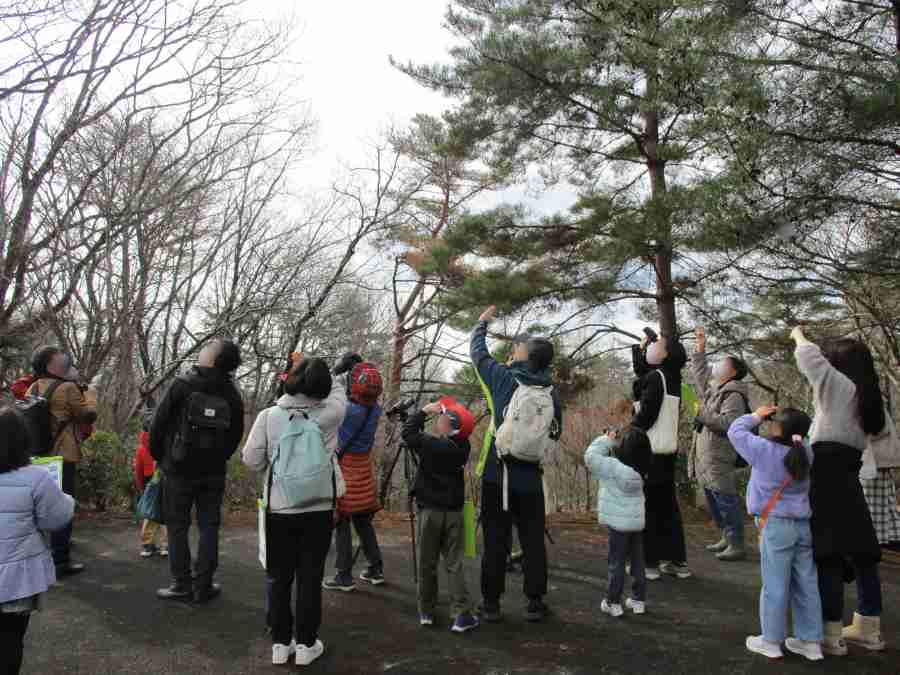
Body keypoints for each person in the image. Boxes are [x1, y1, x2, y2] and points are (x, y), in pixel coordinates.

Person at [242, 354, 347, 666]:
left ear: (291, 379)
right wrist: (329, 371)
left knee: (278, 577)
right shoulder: (332, 412)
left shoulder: (269, 416)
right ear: (323, 386)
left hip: (279, 509)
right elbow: (339, 391)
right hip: (319, 508)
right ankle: (305, 645)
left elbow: (251, 459)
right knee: (310, 577)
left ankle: (279, 643)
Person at [792, 327, 887, 655]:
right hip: (850, 471)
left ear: (839, 365)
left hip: (827, 473)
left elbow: (807, 358)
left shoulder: (839, 386)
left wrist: (798, 335)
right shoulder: (867, 396)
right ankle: (869, 628)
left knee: (828, 553)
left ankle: (831, 634)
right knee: (863, 551)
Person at [470, 306, 563, 623]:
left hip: (499, 476)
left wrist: (481, 324)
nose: (515, 348)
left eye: (519, 347)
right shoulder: (551, 392)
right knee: (533, 541)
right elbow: (555, 433)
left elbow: (478, 355)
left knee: (496, 541)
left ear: (525, 356)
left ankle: (491, 604)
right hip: (532, 479)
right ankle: (535, 603)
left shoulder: (505, 379)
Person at [150, 338, 245, 603]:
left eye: (208, 348)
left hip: (178, 468)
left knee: (177, 526)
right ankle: (203, 585)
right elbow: (235, 435)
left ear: (212, 359)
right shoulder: (232, 394)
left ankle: (181, 584)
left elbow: (158, 424)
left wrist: (164, 458)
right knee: (209, 527)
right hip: (213, 471)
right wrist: (218, 457)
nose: (203, 350)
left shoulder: (183, 384)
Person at [728, 407, 824, 661]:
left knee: (775, 585)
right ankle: (811, 642)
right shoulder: (807, 452)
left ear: (778, 429)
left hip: (776, 527)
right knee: (807, 583)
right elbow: (800, 436)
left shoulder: (763, 450)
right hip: (803, 525)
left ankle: (771, 640)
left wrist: (757, 415)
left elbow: (735, 430)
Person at [0, 406, 75, 675]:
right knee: (10, 642)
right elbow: (56, 519)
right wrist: (67, 498)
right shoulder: (36, 478)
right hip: (16, 582)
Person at [401, 396, 480, 633]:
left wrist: (423, 411)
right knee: (454, 564)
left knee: (427, 563)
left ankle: (426, 610)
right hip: (454, 513)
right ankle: (462, 615)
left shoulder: (433, 445)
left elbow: (408, 432)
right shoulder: (463, 446)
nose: (439, 421)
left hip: (431, 513)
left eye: (443, 419)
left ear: (451, 426)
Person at [26, 346, 98, 577]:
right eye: (60, 358)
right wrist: (92, 394)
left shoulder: (33, 387)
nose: (65, 359)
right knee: (63, 505)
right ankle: (60, 560)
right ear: (50, 365)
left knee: (38, 508)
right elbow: (87, 415)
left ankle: (39, 556)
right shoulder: (67, 388)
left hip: (38, 456)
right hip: (63, 456)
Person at [630, 331, 690, 580]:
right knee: (668, 507)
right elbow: (644, 376)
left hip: (650, 452)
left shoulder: (656, 378)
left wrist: (630, 432)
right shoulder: (672, 377)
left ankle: (649, 563)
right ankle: (675, 560)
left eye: (659, 344)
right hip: (667, 451)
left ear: (666, 354)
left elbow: (646, 414)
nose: (654, 346)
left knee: (649, 507)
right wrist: (640, 350)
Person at [324, 353, 385, 591]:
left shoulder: (347, 410)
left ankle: (344, 575)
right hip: (363, 468)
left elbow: (329, 390)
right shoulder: (375, 410)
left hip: (345, 468)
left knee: (342, 520)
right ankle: (375, 568)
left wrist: (337, 371)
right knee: (362, 520)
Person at [584, 409, 652, 619]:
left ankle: (613, 602)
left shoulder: (612, 468)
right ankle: (638, 600)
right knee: (638, 564)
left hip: (618, 527)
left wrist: (608, 438)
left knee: (617, 563)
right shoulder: (643, 470)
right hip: (636, 525)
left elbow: (591, 455)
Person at [690, 327, 751, 561]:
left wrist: (702, 413)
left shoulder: (733, 395)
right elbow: (700, 373)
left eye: (723, 363)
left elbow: (730, 423)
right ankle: (726, 536)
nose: (717, 366)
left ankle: (736, 543)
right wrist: (700, 347)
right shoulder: (716, 389)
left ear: (733, 371)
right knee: (713, 498)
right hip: (706, 452)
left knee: (725, 498)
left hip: (719, 453)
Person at [861, 411, 900, 550]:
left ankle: (879, 540)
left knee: (874, 505)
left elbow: (879, 430)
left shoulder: (870, 405)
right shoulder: (877, 405)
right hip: (879, 463)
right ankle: (884, 539)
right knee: (883, 505)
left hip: (872, 463)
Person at [134, 416, 167, 558]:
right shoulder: (165, 442)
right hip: (164, 480)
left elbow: (138, 471)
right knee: (166, 513)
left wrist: (141, 487)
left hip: (149, 483)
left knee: (149, 514)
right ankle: (165, 546)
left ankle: (147, 545)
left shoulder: (141, 448)